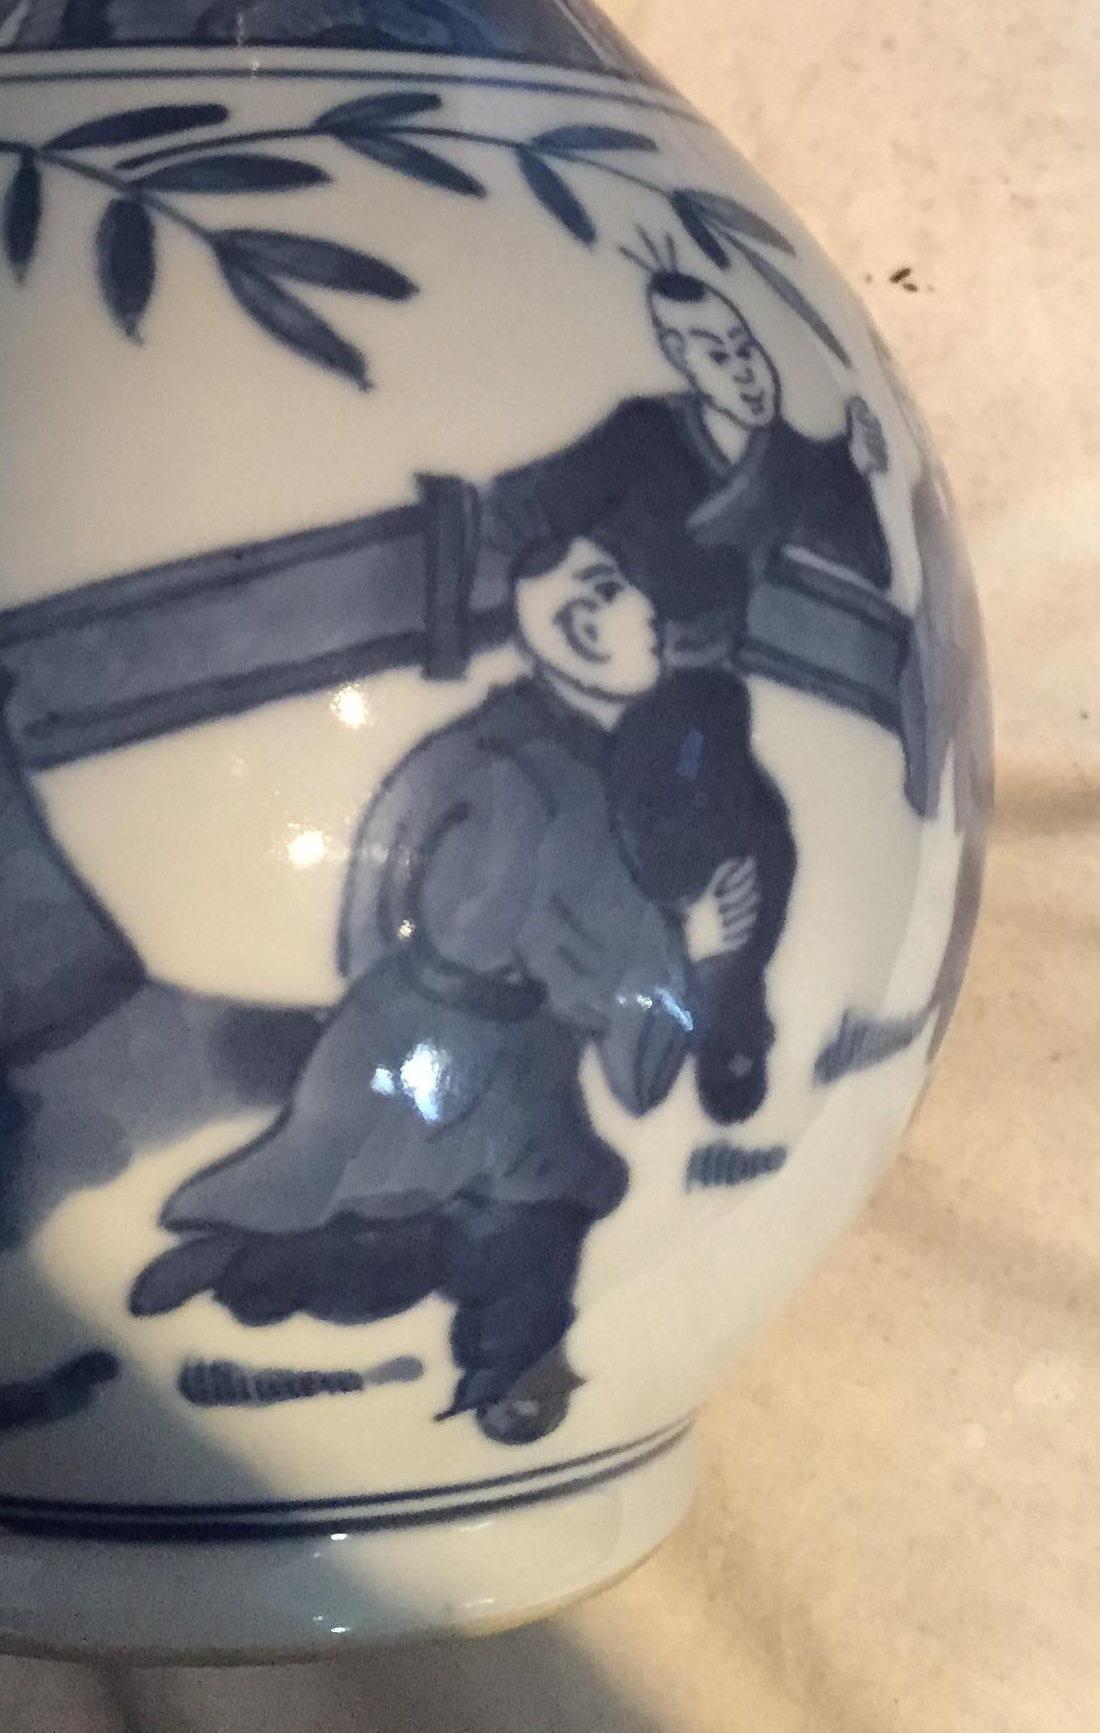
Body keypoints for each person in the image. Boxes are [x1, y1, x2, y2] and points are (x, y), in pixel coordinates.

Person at [127, 532, 753, 1445]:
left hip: (388, 1029)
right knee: (525, 1221)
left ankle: (245, 1265)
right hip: (492, 1064)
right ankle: (508, 1380)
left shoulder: (471, 746)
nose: (650, 620)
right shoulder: (570, 782)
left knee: (372, 1201)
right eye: (618, 592)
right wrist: (710, 958)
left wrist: (381, 999)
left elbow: (370, 909)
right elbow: (608, 964)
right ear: (578, 624)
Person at [487, 263, 894, 1121]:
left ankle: (726, 1003)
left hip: (701, 693)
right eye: (712, 351)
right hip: (614, 679)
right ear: (677, 356)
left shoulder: (790, 462)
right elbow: (522, 512)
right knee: (696, 833)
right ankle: (693, 997)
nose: (742, 367)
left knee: (765, 837)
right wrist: (568, 612)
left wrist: (870, 465)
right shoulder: (644, 436)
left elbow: (870, 551)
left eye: (743, 345)